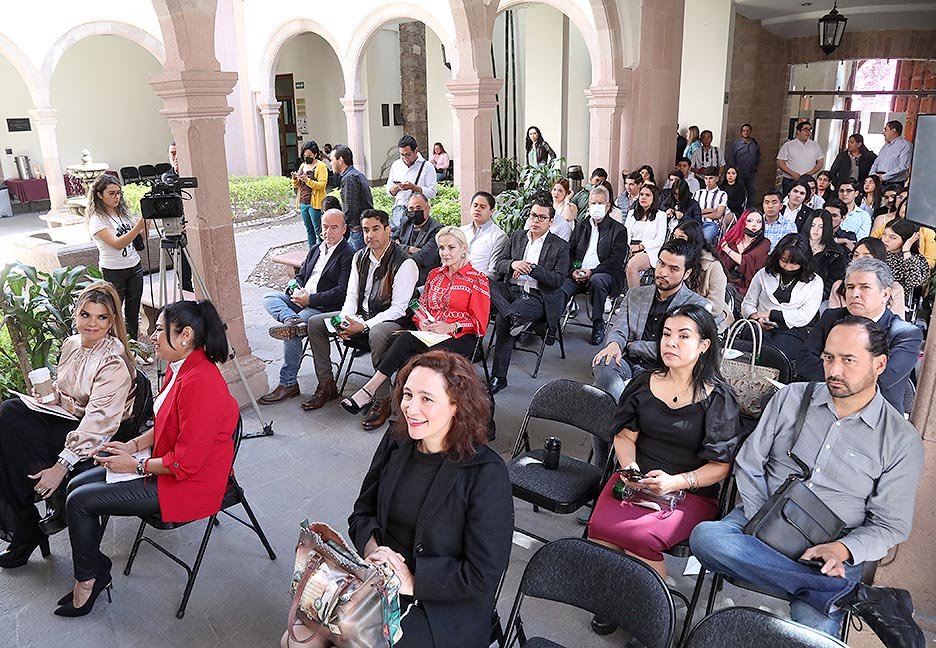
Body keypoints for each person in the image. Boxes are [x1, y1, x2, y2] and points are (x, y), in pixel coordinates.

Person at [691, 318, 925, 646]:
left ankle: (825, 588)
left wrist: (843, 548)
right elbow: (750, 462)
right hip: (761, 521)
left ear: (880, 364)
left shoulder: (900, 440)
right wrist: (767, 524)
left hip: (832, 546)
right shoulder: (792, 398)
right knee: (706, 538)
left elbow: (891, 525)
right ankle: (851, 595)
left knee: (817, 636)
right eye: (829, 358)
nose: (834, 370)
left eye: (848, 360)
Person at [60, 299, 239, 617]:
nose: (150, 335)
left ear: (184, 336)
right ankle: (94, 569)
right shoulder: (179, 367)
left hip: (190, 483)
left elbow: (187, 463)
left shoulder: (201, 383)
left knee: (80, 502)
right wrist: (132, 445)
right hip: (164, 462)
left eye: (157, 329)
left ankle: (88, 580)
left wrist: (136, 465)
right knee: (75, 484)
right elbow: (165, 423)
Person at [345, 351, 512, 648]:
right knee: (299, 634)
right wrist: (375, 551)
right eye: (408, 394)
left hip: (441, 607)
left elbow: (482, 573)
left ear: (456, 406)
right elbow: (362, 513)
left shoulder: (487, 474)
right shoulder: (396, 441)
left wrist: (411, 580)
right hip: (379, 580)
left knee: (349, 640)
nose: (410, 408)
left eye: (426, 398)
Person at [587, 305, 740, 602]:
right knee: (601, 527)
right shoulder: (644, 382)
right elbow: (624, 435)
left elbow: (720, 466)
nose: (671, 342)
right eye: (667, 334)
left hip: (689, 491)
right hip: (634, 479)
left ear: (704, 346)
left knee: (638, 538)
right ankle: (614, 598)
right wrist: (630, 470)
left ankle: (653, 605)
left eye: (684, 336)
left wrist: (675, 482)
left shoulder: (719, 398)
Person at [0, 283, 135, 569]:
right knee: (8, 413)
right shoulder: (72, 344)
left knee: (13, 452)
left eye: (101, 318)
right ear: (76, 315)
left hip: (101, 433)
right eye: (86, 315)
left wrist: (61, 467)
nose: (92, 324)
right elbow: (70, 395)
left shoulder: (112, 362)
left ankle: (29, 528)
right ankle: (32, 521)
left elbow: (99, 423)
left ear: (112, 322)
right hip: (69, 418)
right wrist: (50, 397)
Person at [340, 227, 490, 415]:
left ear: (463, 249)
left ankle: (376, 394)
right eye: (441, 248)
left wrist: (451, 325)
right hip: (430, 334)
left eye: (451, 247)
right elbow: (420, 308)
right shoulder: (435, 275)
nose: (445, 253)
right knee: (403, 347)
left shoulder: (477, 279)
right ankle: (405, 407)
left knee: (409, 348)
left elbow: (480, 324)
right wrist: (423, 322)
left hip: (462, 337)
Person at [302, 210, 419, 431]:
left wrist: (364, 326)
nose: (370, 235)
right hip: (361, 316)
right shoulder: (360, 257)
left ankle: (382, 399)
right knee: (316, 323)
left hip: (393, 322)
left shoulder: (404, 263)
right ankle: (327, 385)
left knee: (376, 334)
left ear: (388, 230)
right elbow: (352, 297)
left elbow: (399, 309)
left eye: (376, 229)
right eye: (366, 230)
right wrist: (344, 321)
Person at [593, 238, 710, 402]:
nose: (663, 272)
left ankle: (616, 413)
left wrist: (632, 345)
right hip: (628, 362)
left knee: (641, 390)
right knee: (604, 364)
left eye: (673, 269)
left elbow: (679, 351)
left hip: (663, 368)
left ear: (687, 273)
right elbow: (619, 329)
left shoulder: (697, 306)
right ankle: (622, 412)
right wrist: (614, 344)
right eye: (661, 264)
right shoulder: (635, 294)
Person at [798, 257, 922, 410]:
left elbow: (883, 379)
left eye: (864, 287)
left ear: (885, 294)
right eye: (850, 287)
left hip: (878, 413)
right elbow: (803, 361)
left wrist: (829, 364)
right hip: (824, 402)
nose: (855, 294)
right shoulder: (831, 317)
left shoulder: (906, 334)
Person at [259, 209, 354, 404]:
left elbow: (342, 292)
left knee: (292, 332)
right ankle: (290, 319)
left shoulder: (348, 254)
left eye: (334, 227)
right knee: (269, 297)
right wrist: (294, 288)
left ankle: (288, 383)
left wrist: (311, 299)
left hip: (321, 308)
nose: (328, 232)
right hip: (299, 301)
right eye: (325, 227)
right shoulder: (316, 249)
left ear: (344, 229)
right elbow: (302, 276)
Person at [488, 195, 569, 395]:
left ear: (551, 222)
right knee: (482, 281)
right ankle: (513, 316)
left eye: (542, 217)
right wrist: (513, 264)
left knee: (501, 319)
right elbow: (499, 264)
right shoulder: (516, 236)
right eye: (533, 215)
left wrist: (532, 269)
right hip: (510, 290)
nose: (535, 220)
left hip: (536, 296)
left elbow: (558, 280)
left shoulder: (560, 245)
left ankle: (499, 376)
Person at [562, 185, 629, 345]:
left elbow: (616, 260)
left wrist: (592, 272)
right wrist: (573, 271)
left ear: (607, 206)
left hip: (604, 274)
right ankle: (549, 323)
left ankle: (598, 323)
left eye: (600, 203)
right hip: (578, 273)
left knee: (597, 282)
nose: (596, 206)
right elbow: (569, 252)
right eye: (593, 203)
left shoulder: (618, 230)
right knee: (561, 285)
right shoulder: (581, 226)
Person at [741, 233, 824, 359]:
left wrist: (770, 314)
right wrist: (756, 317)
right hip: (759, 325)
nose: (787, 267)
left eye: (794, 263)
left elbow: (805, 315)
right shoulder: (764, 273)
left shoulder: (815, 282)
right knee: (756, 342)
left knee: (779, 353)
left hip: (791, 330)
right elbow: (748, 303)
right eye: (784, 261)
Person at [85, 175, 146, 340]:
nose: (116, 197)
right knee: (113, 311)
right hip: (113, 270)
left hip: (134, 265)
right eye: (111, 193)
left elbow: (138, 239)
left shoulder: (123, 213)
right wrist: (138, 226)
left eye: (118, 193)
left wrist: (145, 227)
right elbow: (117, 243)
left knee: (133, 310)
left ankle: (133, 344)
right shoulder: (97, 220)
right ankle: (116, 344)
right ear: (99, 195)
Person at [673, 220, 731, 331]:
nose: (676, 242)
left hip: (708, 318)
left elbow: (715, 307)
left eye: (681, 238)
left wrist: (684, 306)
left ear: (693, 241)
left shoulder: (714, 266)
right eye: (674, 237)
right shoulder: (676, 261)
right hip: (680, 313)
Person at [828, 238, 905, 318]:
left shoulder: (895, 289)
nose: (859, 260)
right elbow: (833, 319)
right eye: (856, 255)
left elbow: (898, 323)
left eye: (866, 257)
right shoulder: (838, 286)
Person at [386, 134, 438, 231]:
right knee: (399, 239)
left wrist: (413, 187)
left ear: (416, 151)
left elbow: (432, 192)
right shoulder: (396, 165)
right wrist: (396, 188)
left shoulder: (427, 166)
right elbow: (388, 191)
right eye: (402, 155)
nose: (405, 158)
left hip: (418, 212)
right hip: (399, 211)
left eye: (408, 154)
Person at [873, 194, 936, 269]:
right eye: (906, 205)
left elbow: (930, 263)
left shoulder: (927, 232)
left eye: (892, 237)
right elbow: (870, 246)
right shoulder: (886, 226)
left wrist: (906, 257)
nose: (907, 209)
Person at [625, 184, 669, 289]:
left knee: (632, 266)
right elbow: (625, 233)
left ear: (654, 198)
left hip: (649, 250)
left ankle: (634, 298)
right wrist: (627, 247)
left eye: (647, 195)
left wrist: (641, 246)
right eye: (641, 195)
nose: (643, 197)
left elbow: (660, 239)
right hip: (629, 247)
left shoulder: (660, 215)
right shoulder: (631, 213)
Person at [717, 209, 771, 296]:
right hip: (726, 282)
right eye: (750, 221)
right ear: (743, 222)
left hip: (749, 288)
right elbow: (720, 263)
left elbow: (748, 261)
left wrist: (727, 250)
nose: (754, 224)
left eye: (759, 222)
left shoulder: (765, 243)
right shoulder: (731, 241)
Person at [394, 193, 443, 286]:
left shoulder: (437, 230)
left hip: (423, 280)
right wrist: (409, 249)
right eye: (411, 209)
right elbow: (389, 244)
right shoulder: (405, 222)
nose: (414, 211)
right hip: (400, 276)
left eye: (418, 208)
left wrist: (398, 249)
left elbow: (423, 258)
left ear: (427, 209)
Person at [331, 144, 372, 251]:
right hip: (362, 229)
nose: (331, 164)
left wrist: (340, 227)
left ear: (340, 160)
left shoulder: (349, 178)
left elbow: (350, 209)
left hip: (357, 232)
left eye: (332, 160)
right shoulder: (356, 174)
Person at [460, 191, 508, 279]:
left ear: (491, 211)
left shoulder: (499, 237)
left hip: (480, 285)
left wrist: (469, 279)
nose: (477, 209)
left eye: (482, 207)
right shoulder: (461, 231)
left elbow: (493, 273)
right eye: (475, 206)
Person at [800, 210, 847, 301]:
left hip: (818, 297)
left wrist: (814, 298)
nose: (816, 230)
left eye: (821, 227)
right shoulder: (797, 244)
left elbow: (832, 283)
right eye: (813, 225)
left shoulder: (836, 253)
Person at [291, 140, 329, 248]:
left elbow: (322, 185)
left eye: (309, 155)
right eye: (304, 155)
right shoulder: (302, 166)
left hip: (315, 203)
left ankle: (322, 252)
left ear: (315, 154)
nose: (306, 157)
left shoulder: (321, 166)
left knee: (318, 230)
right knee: (309, 230)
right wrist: (295, 178)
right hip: (303, 201)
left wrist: (307, 180)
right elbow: (296, 185)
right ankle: (312, 253)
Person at [881, 218, 930, 300]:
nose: (885, 240)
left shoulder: (916, 259)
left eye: (892, 237)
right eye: (884, 234)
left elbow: (915, 281)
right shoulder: (876, 252)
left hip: (895, 302)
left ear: (906, 239)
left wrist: (906, 250)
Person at [776, 121, 824, 196]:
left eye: (810, 130)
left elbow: (820, 162)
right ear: (798, 132)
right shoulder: (788, 145)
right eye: (805, 129)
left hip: (808, 181)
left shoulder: (815, 145)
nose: (808, 132)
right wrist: (792, 173)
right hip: (791, 180)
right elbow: (780, 162)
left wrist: (810, 173)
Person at [870, 120, 914, 186]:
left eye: (885, 130)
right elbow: (876, 163)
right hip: (878, 183)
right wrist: (872, 176)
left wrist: (883, 177)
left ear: (893, 131)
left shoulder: (905, 145)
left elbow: (903, 166)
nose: (883, 133)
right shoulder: (885, 147)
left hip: (894, 184)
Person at [693, 166, 730, 242]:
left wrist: (700, 213)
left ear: (717, 178)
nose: (708, 181)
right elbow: (692, 211)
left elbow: (718, 215)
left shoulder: (722, 194)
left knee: (702, 241)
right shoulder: (698, 193)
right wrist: (709, 210)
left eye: (711, 178)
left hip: (711, 224)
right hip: (695, 223)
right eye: (706, 178)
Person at [726, 123, 760, 203]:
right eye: (744, 131)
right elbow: (731, 157)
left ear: (750, 131)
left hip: (751, 174)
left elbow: (758, 155)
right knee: (740, 193)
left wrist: (756, 166)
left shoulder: (754, 143)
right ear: (741, 132)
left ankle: (750, 210)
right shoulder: (736, 145)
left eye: (748, 131)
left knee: (752, 192)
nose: (746, 132)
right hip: (739, 174)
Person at [835, 178, 871, 243]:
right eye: (841, 191)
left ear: (856, 193)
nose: (844, 194)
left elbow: (861, 240)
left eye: (849, 191)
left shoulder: (863, 216)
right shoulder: (830, 211)